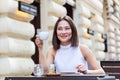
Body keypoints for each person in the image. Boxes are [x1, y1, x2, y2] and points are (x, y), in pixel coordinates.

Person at [35, 16, 105, 74]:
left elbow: (101, 72)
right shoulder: (52, 50)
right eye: (60, 29)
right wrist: (40, 49)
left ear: (73, 31)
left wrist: (86, 71)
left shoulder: (83, 49)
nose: (63, 32)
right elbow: (45, 71)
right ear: (56, 32)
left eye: (67, 28)